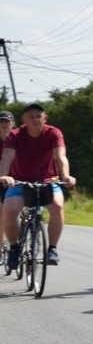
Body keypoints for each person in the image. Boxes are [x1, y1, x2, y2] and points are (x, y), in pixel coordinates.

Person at [0, 102, 76, 269]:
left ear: (45, 118)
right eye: (30, 117)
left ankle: (52, 249)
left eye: (38, 116)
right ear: (24, 120)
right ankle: (14, 247)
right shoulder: (15, 135)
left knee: (57, 206)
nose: (35, 120)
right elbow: (7, 157)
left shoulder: (54, 133)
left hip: (48, 180)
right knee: (10, 209)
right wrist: (4, 175)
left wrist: (66, 176)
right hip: (20, 181)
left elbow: (60, 157)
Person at [0, 110, 13, 271]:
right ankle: (2, 244)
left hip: (18, 179)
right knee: (2, 213)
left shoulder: (18, 139)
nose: (4, 125)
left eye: (7, 122)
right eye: (1, 123)